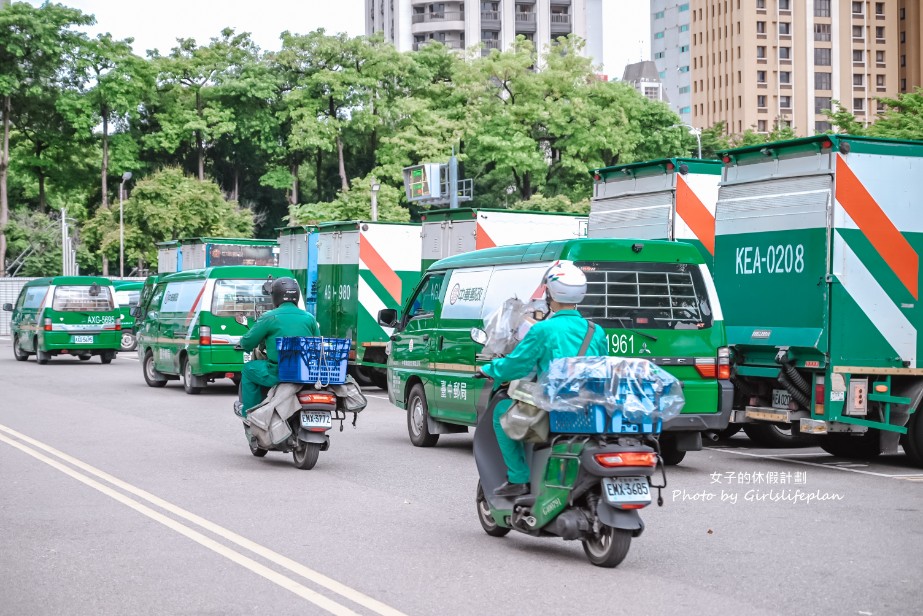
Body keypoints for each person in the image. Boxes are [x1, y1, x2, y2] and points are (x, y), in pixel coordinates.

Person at [478, 260, 608, 497]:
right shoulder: (596, 331)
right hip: (589, 405)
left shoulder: (543, 330)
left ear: (550, 294)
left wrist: (489, 369)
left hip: (555, 405)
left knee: (501, 412)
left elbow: (516, 365)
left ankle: (518, 478)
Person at [236, 277, 321, 417]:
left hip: (278, 372)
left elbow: (248, 342)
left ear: (275, 296)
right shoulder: (309, 318)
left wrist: (242, 343)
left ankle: (250, 415)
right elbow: (317, 344)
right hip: (307, 372)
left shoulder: (269, 317)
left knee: (248, 369)